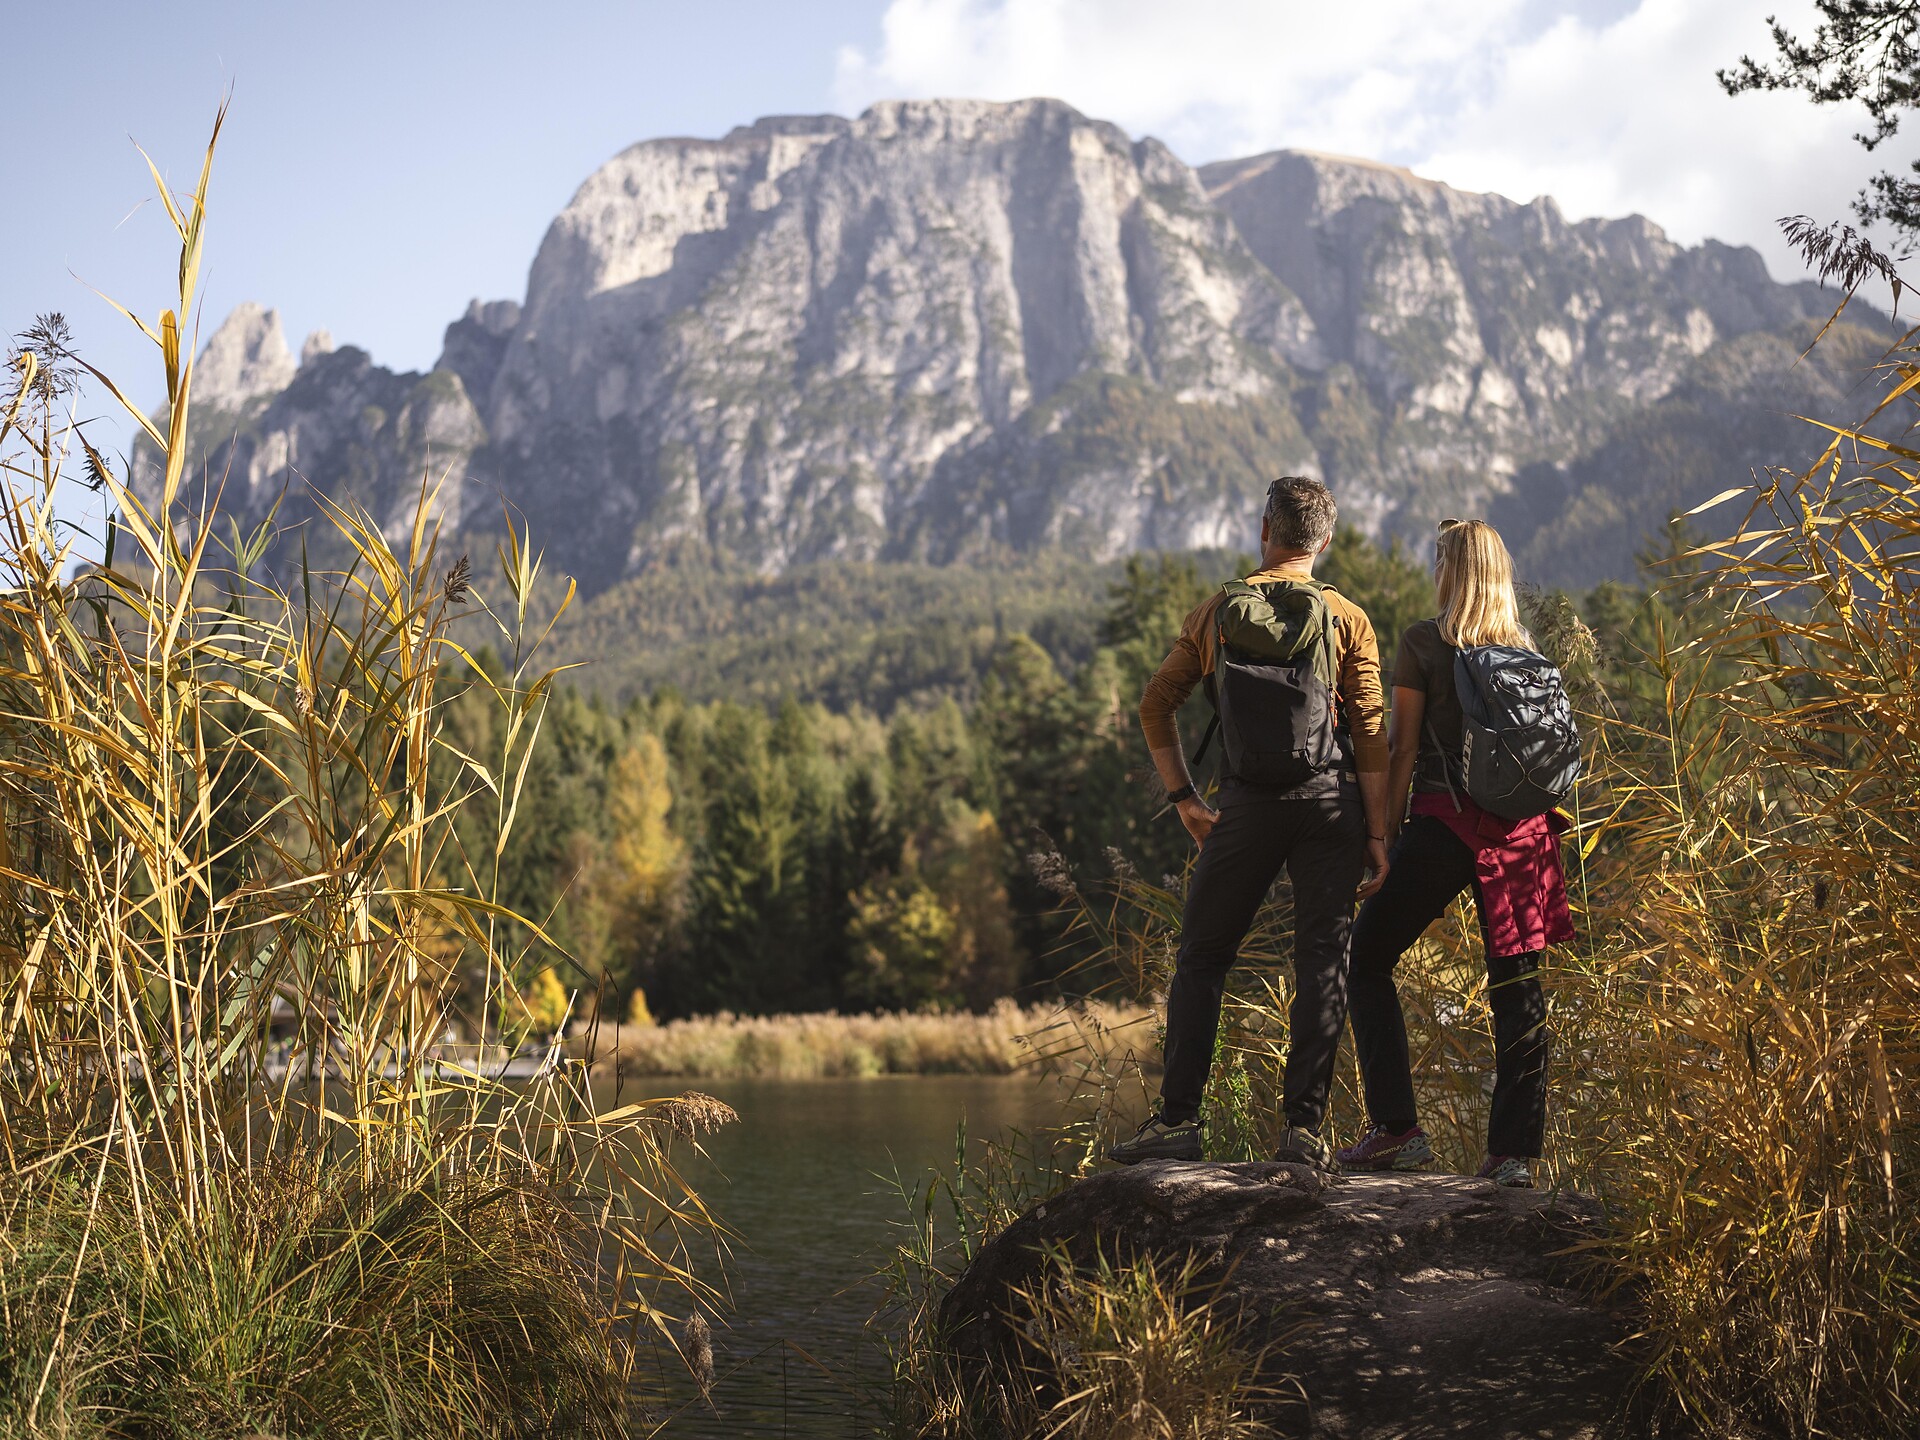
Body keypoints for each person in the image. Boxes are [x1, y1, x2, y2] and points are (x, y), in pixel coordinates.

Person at [1108, 476, 1392, 1170]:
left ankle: (1177, 1121)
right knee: (1322, 960)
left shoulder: (1216, 612)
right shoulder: (1347, 617)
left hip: (1244, 807)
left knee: (1203, 957)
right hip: (1331, 805)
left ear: (1264, 531)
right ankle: (1302, 1133)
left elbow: (1155, 705)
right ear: (1324, 541)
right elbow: (1372, 730)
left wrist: (1184, 798)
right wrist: (1379, 835)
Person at [1337, 518, 1574, 1189]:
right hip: (1526, 835)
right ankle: (1513, 1158)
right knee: (1518, 993)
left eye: (1438, 559)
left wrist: (1379, 836)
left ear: (1452, 570)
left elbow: (1403, 749)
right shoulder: (1528, 652)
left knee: (1366, 957)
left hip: (1447, 825)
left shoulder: (1423, 642)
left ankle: (1397, 1131)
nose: (1433, 569)